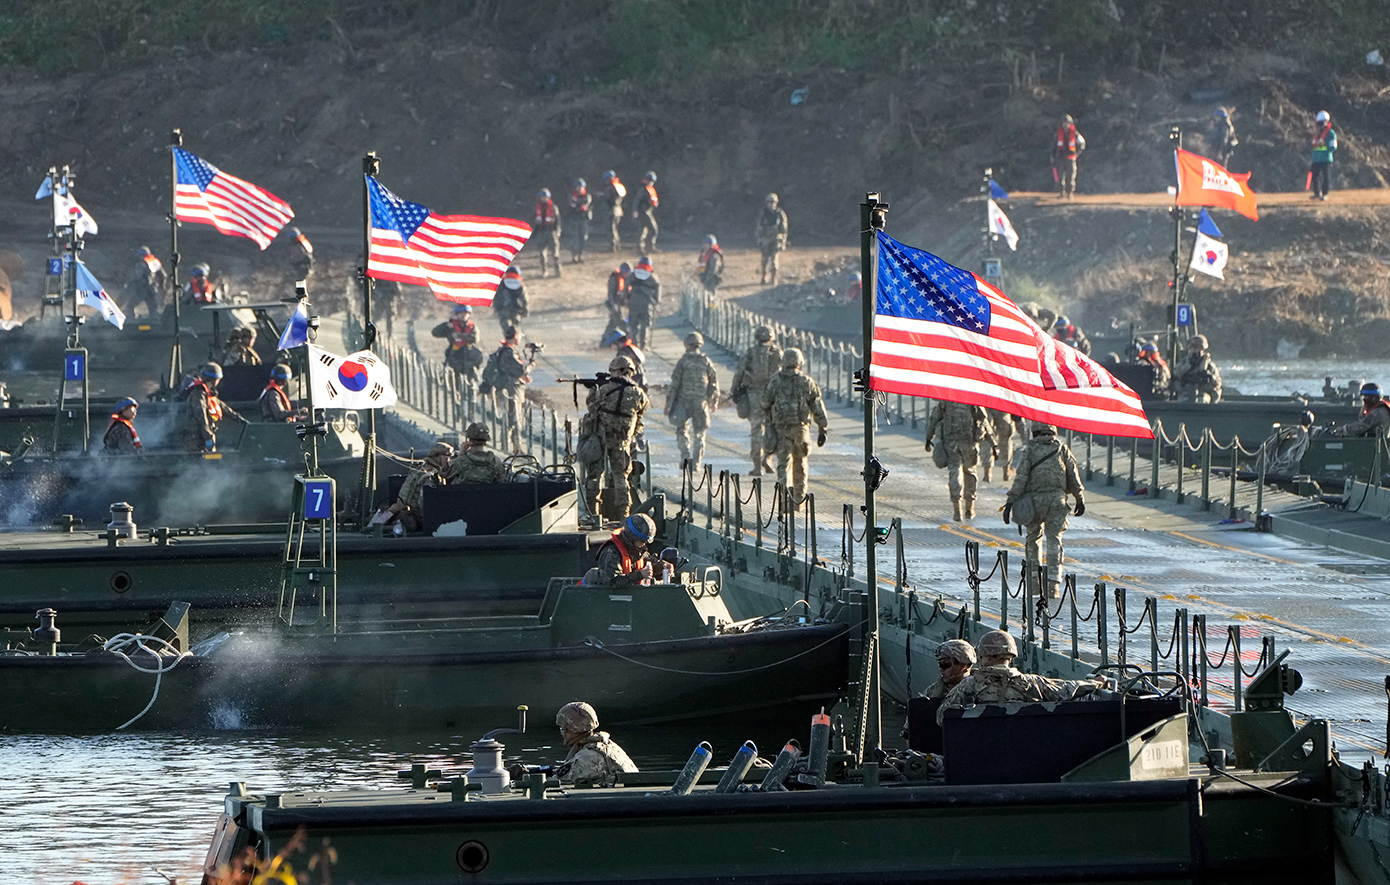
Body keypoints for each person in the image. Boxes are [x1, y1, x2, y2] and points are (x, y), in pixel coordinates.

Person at [938, 630, 1106, 724]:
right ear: (1011, 656)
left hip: (982, 754)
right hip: (1025, 752)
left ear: (984, 655)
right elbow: (1068, 689)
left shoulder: (968, 685)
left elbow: (942, 717)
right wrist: (1095, 683)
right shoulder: (1032, 683)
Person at [1003, 424, 1084, 599]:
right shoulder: (1062, 449)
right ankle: (1053, 584)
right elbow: (1073, 475)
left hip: (1034, 502)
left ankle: (1034, 584)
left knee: (1033, 540)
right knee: (1055, 540)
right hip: (1057, 500)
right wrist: (1079, 498)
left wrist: (1010, 502)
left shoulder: (1030, 450)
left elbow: (1021, 477)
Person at [582, 355, 649, 521]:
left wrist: (593, 390)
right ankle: (624, 514)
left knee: (595, 475)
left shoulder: (605, 390)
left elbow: (592, 408)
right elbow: (640, 414)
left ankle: (594, 513)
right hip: (622, 441)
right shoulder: (640, 394)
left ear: (618, 371)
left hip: (602, 438)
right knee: (621, 477)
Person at [761, 347, 829, 506]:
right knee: (801, 464)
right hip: (801, 429)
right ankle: (799, 500)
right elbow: (817, 406)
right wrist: (822, 428)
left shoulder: (775, 381)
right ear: (799, 363)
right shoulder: (807, 381)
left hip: (781, 428)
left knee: (783, 465)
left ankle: (784, 501)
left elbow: (764, 403)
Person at [924, 401, 994, 521]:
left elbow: (934, 418)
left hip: (951, 442)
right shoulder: (973, 400)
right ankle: (969, 508)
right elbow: (983, 421)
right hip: (969, 443)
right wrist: (993, 443)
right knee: (970, 472)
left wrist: (928, 437)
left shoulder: (946, 401)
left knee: (955, 471)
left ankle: (957, 509)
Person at [731, 325, 783, 475]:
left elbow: (739, 372)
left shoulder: (751, 353)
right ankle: (768, 458)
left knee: (756, 430)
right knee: (772, 429)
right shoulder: (777, 353)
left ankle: (757, 465)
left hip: (754, 394)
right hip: (773, 395)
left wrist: (735, 390)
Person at [667, 332, 720, 470]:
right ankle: (696, 462)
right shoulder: (705, 361)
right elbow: (713, 382)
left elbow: (675, 385)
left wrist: (669, 403)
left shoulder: (683, 362)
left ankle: (685, 457)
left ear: (687, 344)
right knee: (700, 432)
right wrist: (713, 400)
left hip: (683, 401)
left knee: (681, 429)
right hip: (700, 402)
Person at [554, 701, 638, 787]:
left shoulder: (587, 757)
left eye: (562, 729)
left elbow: (554, 782)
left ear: (574, 730)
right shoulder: (610, 746)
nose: (561, 733)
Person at [380, 441, 454, 533]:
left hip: (401, 513)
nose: (449, 459)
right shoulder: (432, 476)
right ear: (438, 456)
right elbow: (425, 505)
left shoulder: (418, 468)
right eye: (448, 456)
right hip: (414, 518)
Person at [479, 326, 530, 453]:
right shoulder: (508, 352)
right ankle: (513, 447)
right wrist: (530, 365)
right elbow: (518, 370)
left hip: (506, 388)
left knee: (511, 419)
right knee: (514, 419)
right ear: (516, 336)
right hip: (510, 390)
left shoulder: (503, 350)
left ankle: (509, 445)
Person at [182, 363, 244, 452]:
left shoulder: (209, 395)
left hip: (206, 434)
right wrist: (207, 437)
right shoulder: (198, 394)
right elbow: (201, 417)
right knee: (200, 462)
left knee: (211, 460)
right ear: (214, 380)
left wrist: (238, 418)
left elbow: (224, 407)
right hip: (196, 438)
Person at [593, 514, 658, 587]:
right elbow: (611, 581)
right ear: (632, 537)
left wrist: (663, 566)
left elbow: (649, 561)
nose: (644, 544)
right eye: (642, 541)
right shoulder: (611, 551)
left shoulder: (636, 549)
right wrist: (639, 575)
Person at [431, 303, 485, 387]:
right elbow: (435, 332)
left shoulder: (472, 327)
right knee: (454, 382)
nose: (463, 316)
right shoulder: (451, 326)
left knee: (471, 382)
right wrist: (446, 326)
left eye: (466, 313)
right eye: (461, 313)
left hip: (469, 358)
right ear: (457, 315)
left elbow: (475, 338)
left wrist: (460, 336)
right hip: (455, 356)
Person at [1174, 334, 1222, 403]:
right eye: (1192, 348)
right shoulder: (1184, 364)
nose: (1193, 350)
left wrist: (1209, 378)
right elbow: (1175, 378)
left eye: (1196, 348)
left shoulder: (1209, 365)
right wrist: (1184, 379)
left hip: (1203, 393)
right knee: (1183, 401)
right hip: (1187, 393)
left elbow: (1217, 383)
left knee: (1201, 401)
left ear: (1202, 349)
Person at [755, 193, 789, 285]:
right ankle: (763, 277)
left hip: (775, 239)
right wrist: (759, 239)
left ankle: (773, 278)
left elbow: (784, 229)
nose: (771, 204)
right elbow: (759, 227)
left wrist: (783, 241)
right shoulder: (763, 213)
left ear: (776, 203)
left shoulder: (779, 214)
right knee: (764, 260)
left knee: (774, 260)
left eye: (773, 202)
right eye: (769, 202)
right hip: (765, 239)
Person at [981, 409, 1023, 483]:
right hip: (1003, 406)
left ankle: (987, 471)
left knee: (987, 436)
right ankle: (1006, 470)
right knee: (1006, 437)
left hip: (986, 403)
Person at [627, 256, 660, 349]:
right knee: (644, 325)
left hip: (633, 303)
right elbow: (657, 288)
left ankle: (634, 343)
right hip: (647, 304)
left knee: (633, 324)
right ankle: (643, 344)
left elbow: (626, 286)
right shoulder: (652, 277)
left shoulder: (633, 275)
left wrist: (626, 298)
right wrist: (656, 300)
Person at [126, 246, 166, 318]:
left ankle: (131, 321)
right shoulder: (155, 262)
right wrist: (161, 286)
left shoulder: (141, 264)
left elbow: (137, 278)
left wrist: (130, 285)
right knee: (153, 308)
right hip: (152, 289)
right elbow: (163, 276)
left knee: (130, 306)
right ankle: (155, 322)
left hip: (142, 289)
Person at [1052, 114, 1085, 199]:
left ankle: (1070, 193)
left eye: (1067, 123)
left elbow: (1082, 143)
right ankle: (1061, 193)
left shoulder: (1075, 134)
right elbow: (1054, 146)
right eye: (1064, 123)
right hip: (1060, 157)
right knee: (1060, 176)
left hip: (1071, 158)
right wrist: (1053, 156)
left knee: (1071, 176)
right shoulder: (1058, 134)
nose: (1066, 125)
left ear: (1070, 124)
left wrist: (1077, 153)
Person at [534, 187, 563, 278]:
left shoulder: (554, 208)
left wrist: (558, 231)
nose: (544, 198)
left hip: (551, 232)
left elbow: (558, 220)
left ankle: (558, 271)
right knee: (542, 254)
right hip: (541, 232)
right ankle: (544, 271)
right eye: (542, 197)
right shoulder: (537, 208)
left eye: (545, 197)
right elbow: (532, 219)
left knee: (555, 254)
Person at [1310, 110, 1338, 201]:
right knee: (1314, 176)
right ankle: (1316, 193)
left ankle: (1325, 194)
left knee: (1326, 177)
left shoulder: (1330, 134)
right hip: (1316, 159)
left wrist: (1325, 152)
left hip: (1326, 159)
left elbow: (1333, 147)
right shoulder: (1317, 134)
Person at [602, 262, 631, 346]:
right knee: (620, 322)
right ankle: (630, 338)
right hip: (614, 304)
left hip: (620, 305)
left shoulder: (627, 279)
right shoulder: (614, 278)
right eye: (626, 272)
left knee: (612, 323)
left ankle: (604, 342)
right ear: (622, 272)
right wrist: (614, 306)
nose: (627, 274)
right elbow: (611, 294)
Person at [493, 266, 529, 333]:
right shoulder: (520, 284)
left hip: (503, 309)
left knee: (506, 328)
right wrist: (525, 309)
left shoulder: (501, 283)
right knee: (516, 327)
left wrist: (496, 308)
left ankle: (508, 339)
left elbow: (496, 297)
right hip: (516, 309)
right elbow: (524, 298)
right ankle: (516, 338)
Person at [631, 171, 659, 254]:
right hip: (643, 212)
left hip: (648, 212)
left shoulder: (651, 190)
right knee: (651, 229)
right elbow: (636, 200)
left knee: (645, 230)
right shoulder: (643, 189)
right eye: (648, 180)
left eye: (651, 180)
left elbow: (655, 202)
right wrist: (635, 210)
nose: (649, 182)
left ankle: (647, 247)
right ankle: (644, 247)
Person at [599, 170, 627, 252]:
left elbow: (606, 198)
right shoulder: (619, 186)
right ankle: (618, 245)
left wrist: (600, 196)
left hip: (611, 210)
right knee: (616, 228)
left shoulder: (610, 187)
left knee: (611, 229)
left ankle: (612, 246)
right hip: (619, 209)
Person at [567, 178, 592, 264]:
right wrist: (578, 206)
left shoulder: (587, 196)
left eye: (581, 187)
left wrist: (578, 205)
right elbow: (572, 205)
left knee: (583, 238)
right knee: (574, 238)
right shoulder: (571, 195)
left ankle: (581, 255)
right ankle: (574, 256)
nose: (580, 188)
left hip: (583, 219)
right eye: (578, 187)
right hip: (574, 219)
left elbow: (585, 204)